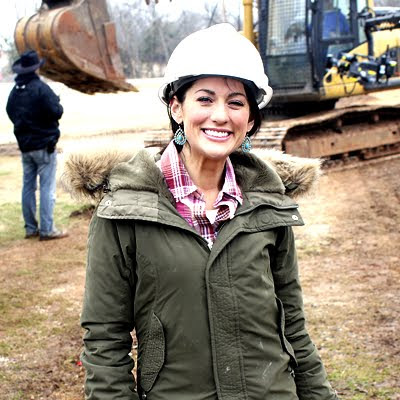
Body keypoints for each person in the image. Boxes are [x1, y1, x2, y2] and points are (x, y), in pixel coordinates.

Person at [69, 24, 339, 399]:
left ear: (250, 117)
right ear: (176, 107)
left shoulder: (268, 203)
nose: (221, 116)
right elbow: (104, 339)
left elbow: (292, 325)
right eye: (205, 99)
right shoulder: (124, 209)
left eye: (235, 102)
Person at [6, 50, 67, 241]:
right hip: (45, 146)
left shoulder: (15, 91)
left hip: (25, 147)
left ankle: (31, 228)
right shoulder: (41, 88)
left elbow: (11, 111)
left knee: (28, 188)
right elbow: (57, 112)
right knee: (47, 188)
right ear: (36, 69)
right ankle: (47, 230)